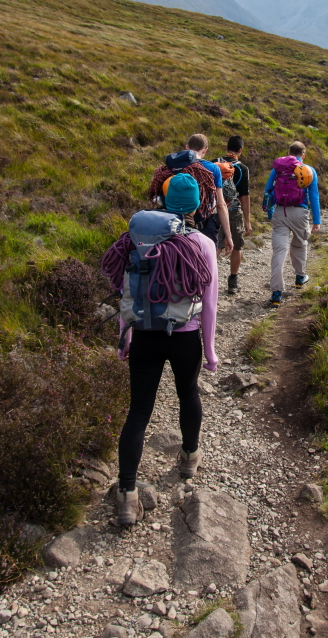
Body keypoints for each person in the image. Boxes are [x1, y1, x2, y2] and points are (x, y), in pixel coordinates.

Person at [115, 174, 218, 525]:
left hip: (144, 332)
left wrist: (124, 335)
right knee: (188, 394)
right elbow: (209, 304)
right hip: (185, 334)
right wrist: (211, 349)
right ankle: (189, 457)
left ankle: (127, 493)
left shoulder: (138, 238)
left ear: (163, 198)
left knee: (139, 409)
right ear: (195, 204)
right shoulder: (202, 242)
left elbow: (126, 290)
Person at [148, 133, 233, 256]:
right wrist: (228, 236)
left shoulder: (171, 167)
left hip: (170, 223)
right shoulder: (212, 169)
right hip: (203, 225)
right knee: (205, 265)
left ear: (187, 147)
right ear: (205, 150)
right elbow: (221, 204)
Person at [264, 140, 321, 308]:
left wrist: (270, 213)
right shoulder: (309, 170)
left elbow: (268, 190)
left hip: (280, 211)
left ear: (289, 152)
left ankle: (276, 293)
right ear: (303, 155)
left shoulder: (278, 169)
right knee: (300, 243)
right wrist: (316, 221)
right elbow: (314, 196)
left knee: (279, 250)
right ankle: (299, 277)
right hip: (299, 212)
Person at [213, 135, 252, 294]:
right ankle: (233, 281)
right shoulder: (242, 168)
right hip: (233, 211)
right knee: (236, 246)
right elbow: (244, 196)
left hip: (214, 210)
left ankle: (210, 280)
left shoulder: (213, 163)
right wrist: (248, 221)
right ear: (240, 150)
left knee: (215, 245)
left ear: (226, 148)